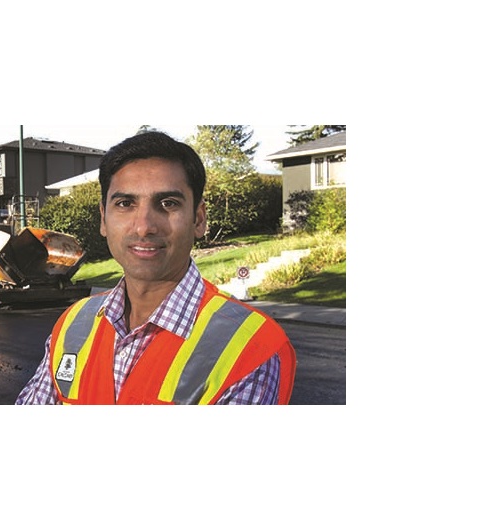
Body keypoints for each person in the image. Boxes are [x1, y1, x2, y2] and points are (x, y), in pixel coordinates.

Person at [15, 131, 296, 405]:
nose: (144, 226)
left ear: (198, 219)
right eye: (125, 203)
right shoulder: (73, 325)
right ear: (103, 218)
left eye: (168, 203)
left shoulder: (251, 348)